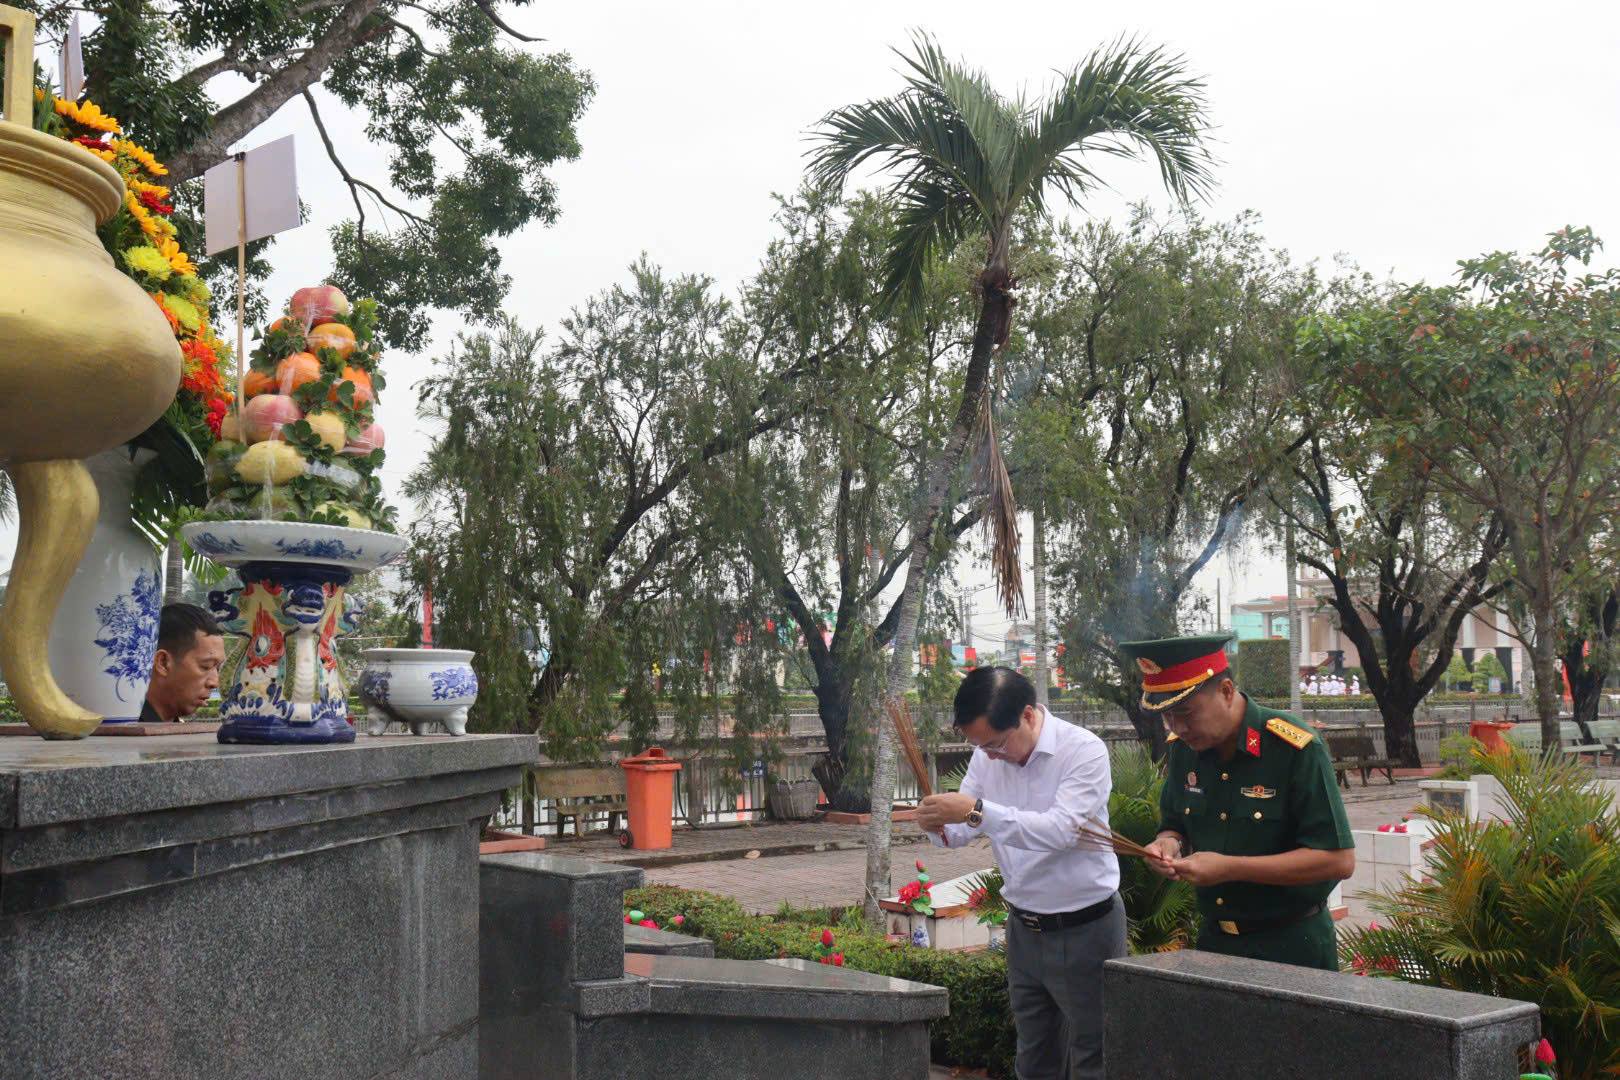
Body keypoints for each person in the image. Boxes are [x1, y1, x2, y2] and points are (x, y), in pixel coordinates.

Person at [914, 667, 1124, 1080]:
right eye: (980, 746)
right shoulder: (986, 755)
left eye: (995, 744)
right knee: (1033, 1055)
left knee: (1093, 1056)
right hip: (1024, 927)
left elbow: (1061, 831)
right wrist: (936, 824)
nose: (990, 755)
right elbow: (960, 831)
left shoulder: (1083, 751)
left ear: (1028, 715)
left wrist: (977, 812)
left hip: (1086, 927)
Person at [1125, 634, 1355, 971]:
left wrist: (1230, 867)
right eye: (1167, 717)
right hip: (1215, 946)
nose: (1178, 728)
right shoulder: (1182, 750)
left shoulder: (1294, 748)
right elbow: (1175, 824)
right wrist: (1167, 844)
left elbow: (1338, 861)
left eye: (1187, 713)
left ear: (1227, 691)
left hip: (1292, 947)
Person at [141, 603, 225, 723]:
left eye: (218, 668)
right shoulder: (118, 736)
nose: (215, 683)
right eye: (205, 666)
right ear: (163, 662)